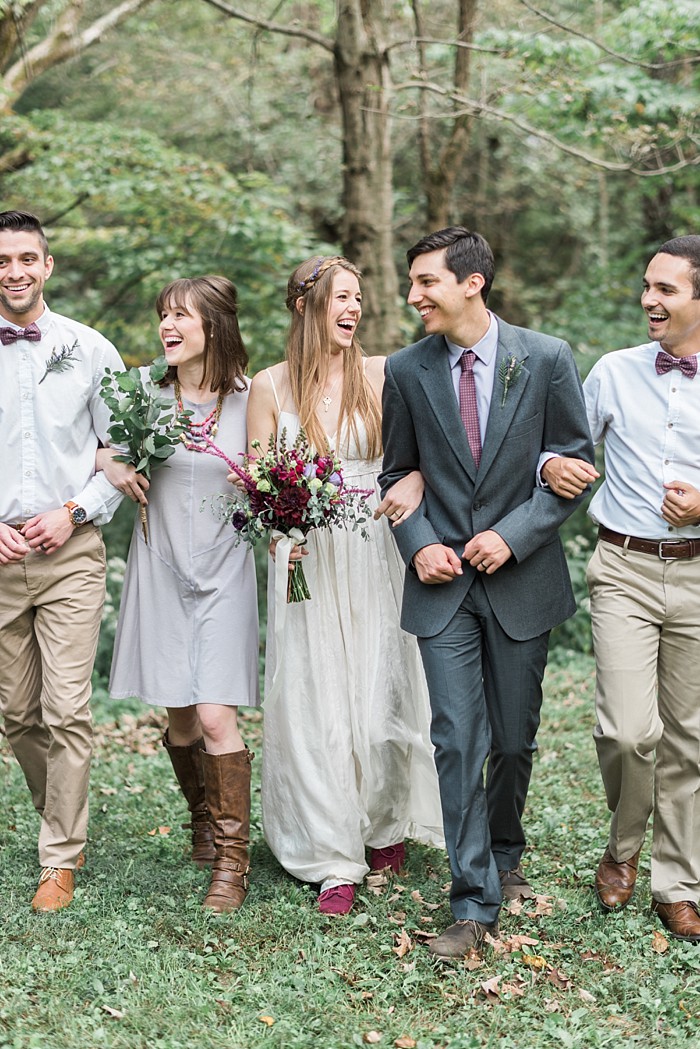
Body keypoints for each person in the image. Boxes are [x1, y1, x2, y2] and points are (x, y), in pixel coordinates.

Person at [380, 226, 593, 958]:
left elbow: (574, 462)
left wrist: (515, 533)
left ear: (472, 282)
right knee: (455, 736)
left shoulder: (547, 359)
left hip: (522, 578)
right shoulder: (406, 370)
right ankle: (473, 901)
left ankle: (506, 847)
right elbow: (395, 475)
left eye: (426, 282)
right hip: (442, 590)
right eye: (412, 283)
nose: (414, 297)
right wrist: (420, 544)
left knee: (512, 736)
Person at [246, 255, 444, 916]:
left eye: (359, 297)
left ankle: (384, 825)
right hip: (307, 557)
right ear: (306, 306)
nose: (354, 309)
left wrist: (413, 481)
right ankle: (332, 852)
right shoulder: (271, 386)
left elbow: (417, 453)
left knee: (383, 688)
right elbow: (254, 476)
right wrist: (282, 525)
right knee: (317, 698)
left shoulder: (383, 374)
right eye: (341, 297)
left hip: (377, 548)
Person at [542, 235, 700, 942]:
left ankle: (676, 881)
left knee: (691, 741)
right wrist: (553, 466)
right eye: (647, 286)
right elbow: (559, 442)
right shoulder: (613, 371)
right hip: (625, 570)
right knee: (628, 732)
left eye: (666, 289)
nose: (649, 299)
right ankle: (623, 844)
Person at [104, 276, 259, 914]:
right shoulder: (142, 393)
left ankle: (232, 861)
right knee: (179, 712)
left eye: (181, 317)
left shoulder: (254, 400)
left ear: (214, 328)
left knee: (218, 715)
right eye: (163, 316)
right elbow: (89, 444)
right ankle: (202, 818)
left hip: (225, 570)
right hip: (160, 563)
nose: (167, 327)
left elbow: (281, 468)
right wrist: (107, 463)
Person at [0, 210, 125, 911]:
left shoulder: (90, 349)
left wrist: (72, 511)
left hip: (71, 551)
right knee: (18, 714)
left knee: (66, 708)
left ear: (47, 266)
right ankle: (66, 817)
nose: (14, 270)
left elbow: (123, 453)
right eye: (3, 260)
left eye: (26, 258)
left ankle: (60, 858)